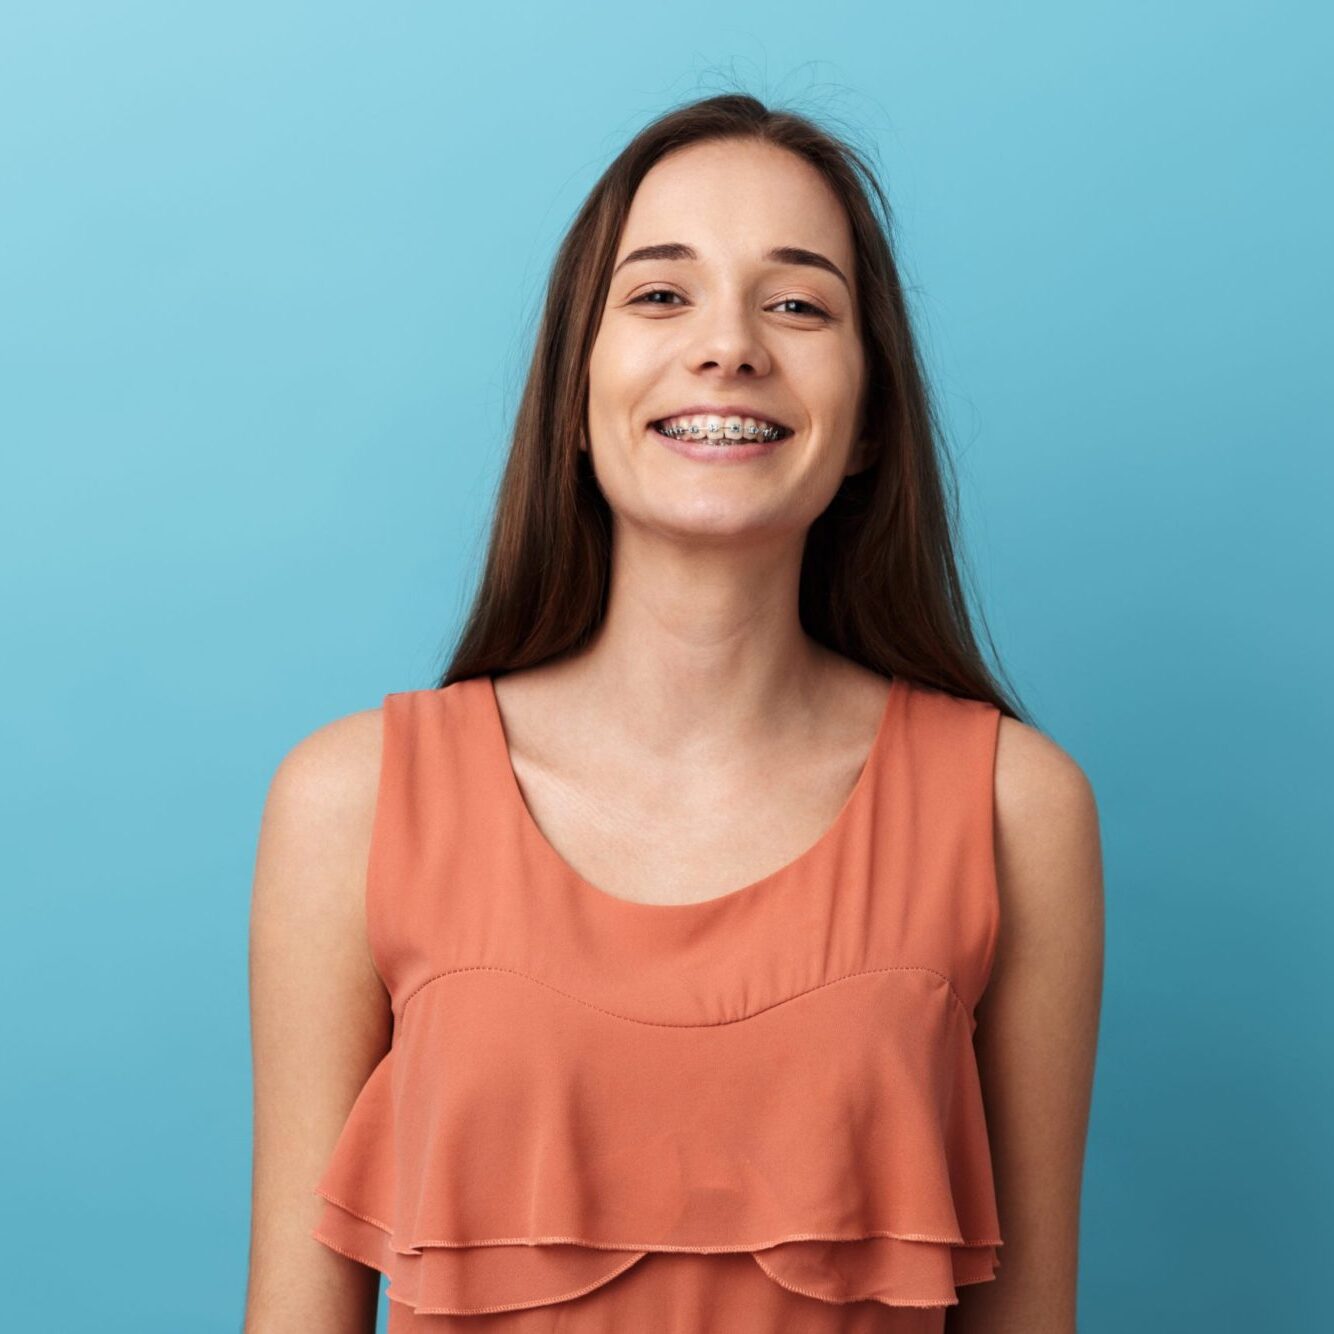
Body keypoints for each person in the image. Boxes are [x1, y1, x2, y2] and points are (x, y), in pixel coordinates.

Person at [243, 93, 1104, 1333]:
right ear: (576, 392)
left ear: (868, 421)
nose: (728, 345)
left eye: (797, 302)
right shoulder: (351, 800)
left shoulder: (1015, 807)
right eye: (659, 294)